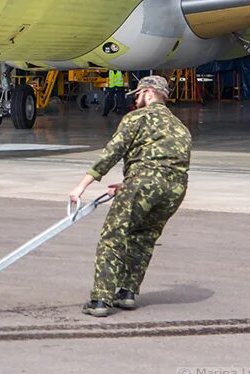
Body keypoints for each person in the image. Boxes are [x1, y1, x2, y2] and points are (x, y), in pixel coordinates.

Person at [67, 74, 191, 317]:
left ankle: (101, 299)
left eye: (138, 95)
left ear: (148, 93)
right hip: (174, 189)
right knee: (143, 239)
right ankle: (126, 293)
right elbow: (167, 165)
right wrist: (128, 185)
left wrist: (81, 186)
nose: (136, 100)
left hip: (143, 183)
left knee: (113, 237)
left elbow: (112, 153)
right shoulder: (180, 126)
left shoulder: (136, 118)